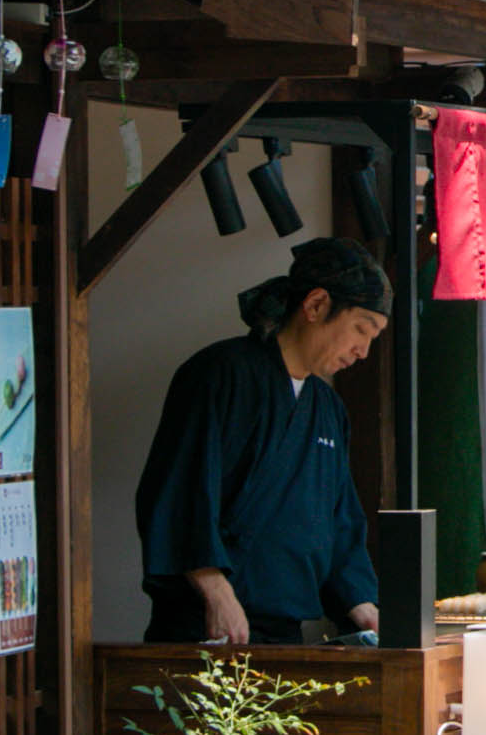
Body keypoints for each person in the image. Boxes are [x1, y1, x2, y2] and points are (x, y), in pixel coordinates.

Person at [136, 236, 390, 646]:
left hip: (283, 631)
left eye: (373, 338)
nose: (363, 351)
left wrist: (360, 602)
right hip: (207, 623)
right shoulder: (219, 375)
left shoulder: (327, 407)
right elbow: (180, 492)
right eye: (362, 329)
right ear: (316, 305)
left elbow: (339, 520)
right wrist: (215, 588)